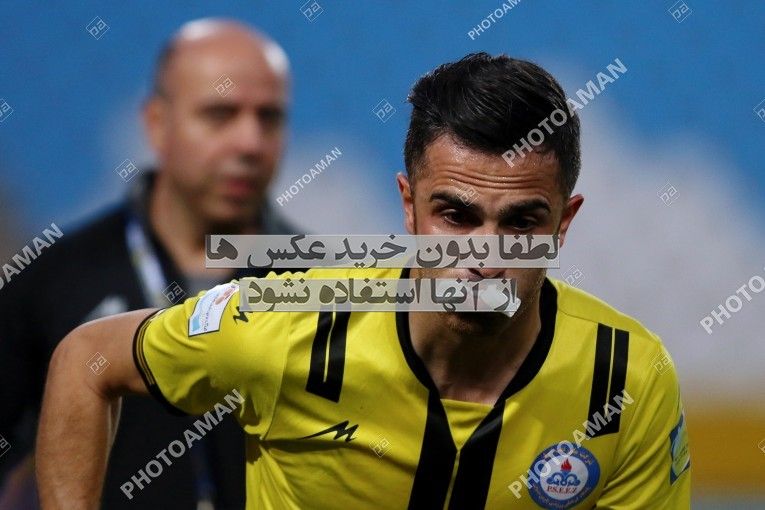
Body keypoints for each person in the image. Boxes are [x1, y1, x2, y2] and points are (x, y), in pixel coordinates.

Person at [35, 53, 690, 509]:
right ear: (408, 205)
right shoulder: (288, 315)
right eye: (455, 215)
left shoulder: (626, 380)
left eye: (521, 222)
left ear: (563, 223)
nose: (485, 257)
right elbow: (87, 360)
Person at [0, 18, 296, 509]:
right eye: (220, 114)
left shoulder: (322, 282)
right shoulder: (52, 280)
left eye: (269, 117)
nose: (250, 143)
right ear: (157, 123)